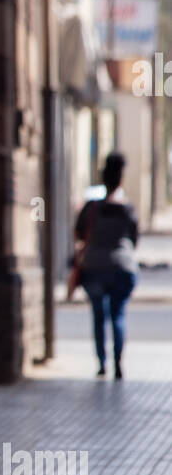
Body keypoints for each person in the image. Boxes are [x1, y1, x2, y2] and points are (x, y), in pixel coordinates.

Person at [73, 152, 139, 380]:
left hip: (94, 267)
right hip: (122, 267)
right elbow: (134, 239)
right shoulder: (128, 209)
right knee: (118, 314)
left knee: (99, 316)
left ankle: (102, 363)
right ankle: (119, 362)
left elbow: (79, 233)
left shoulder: (92, 208)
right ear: (121, 180)